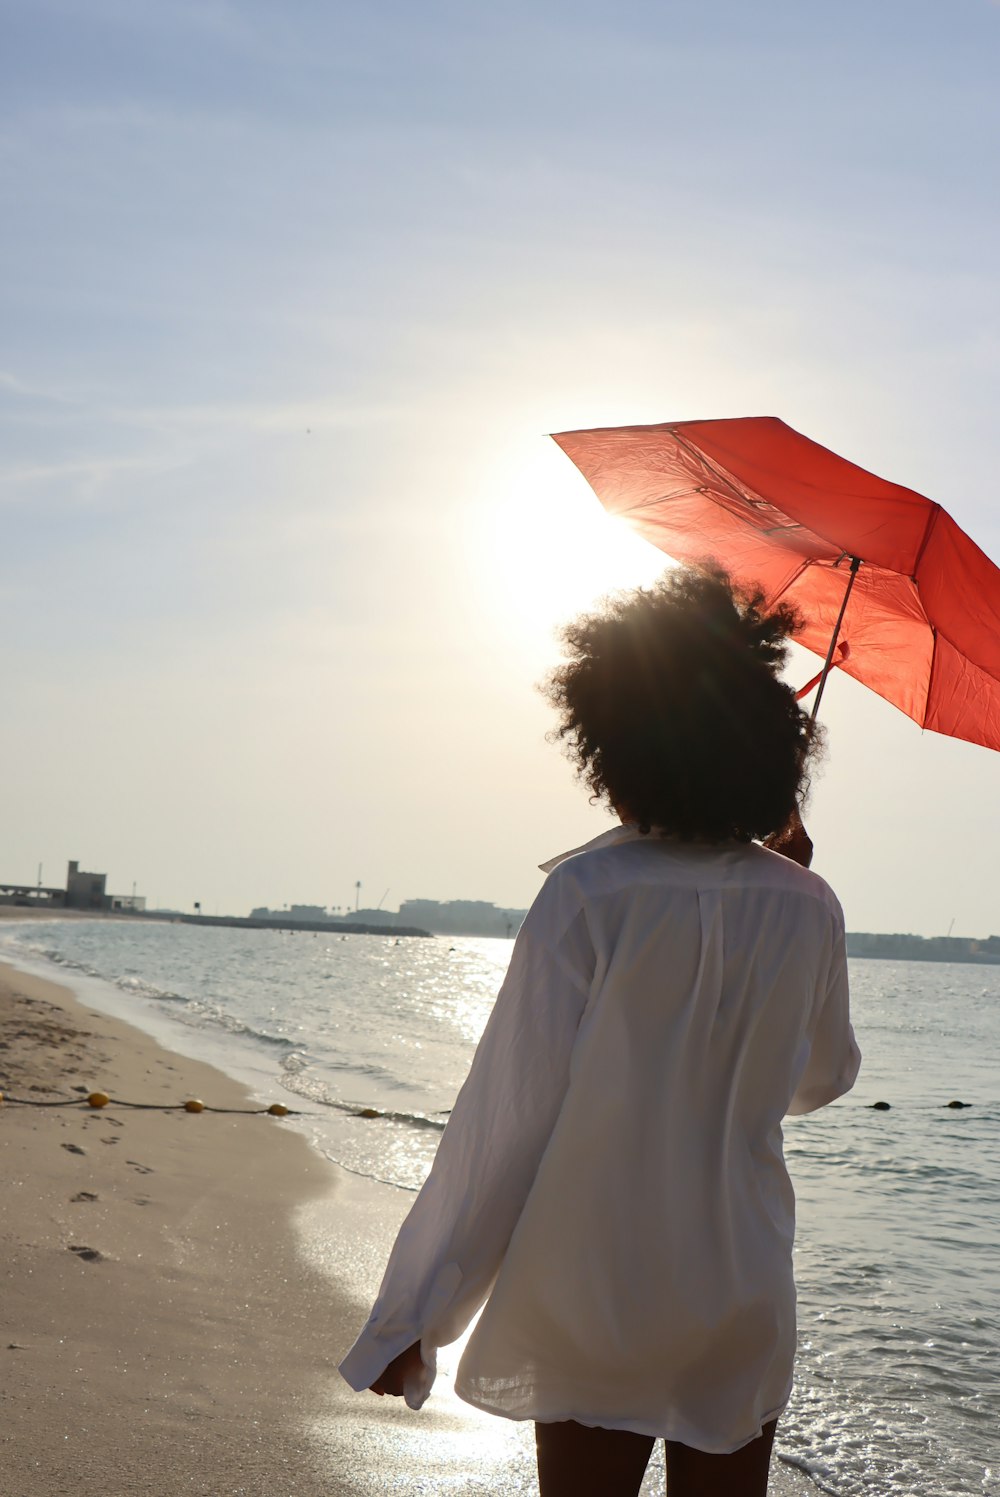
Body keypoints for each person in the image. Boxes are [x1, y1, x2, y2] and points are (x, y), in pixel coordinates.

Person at [339, 565, 861, 1497]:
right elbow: (818, 1078)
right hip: (738, 1277)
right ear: (772, 753)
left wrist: (414, 1315)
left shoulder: (589, 892)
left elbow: (505, 1120)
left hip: (593, 1277)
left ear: (614, 744)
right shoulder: (810, 904)